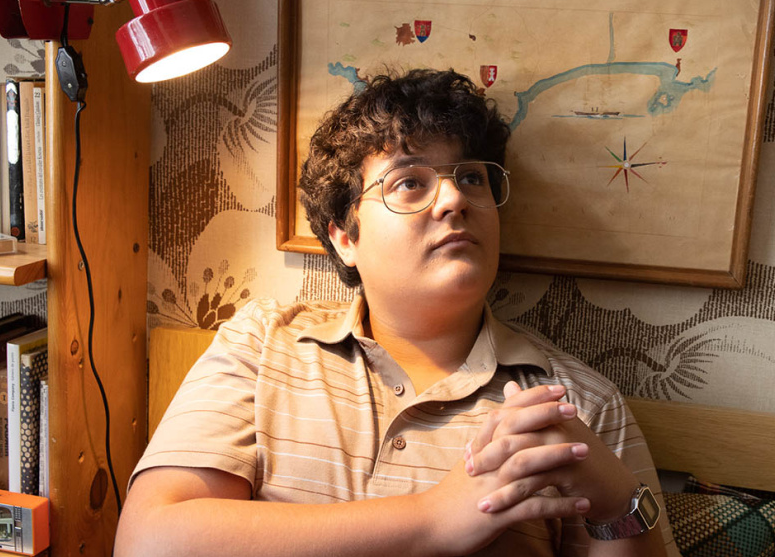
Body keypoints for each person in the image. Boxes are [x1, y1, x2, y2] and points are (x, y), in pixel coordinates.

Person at [115, 68, 674, 557]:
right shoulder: (263, 344)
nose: (455, 200)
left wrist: (617, 504)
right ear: (345, 237)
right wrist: (433, 519)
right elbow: (149, 541)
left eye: (472, 177)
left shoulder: (576, 405)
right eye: (409, 182)